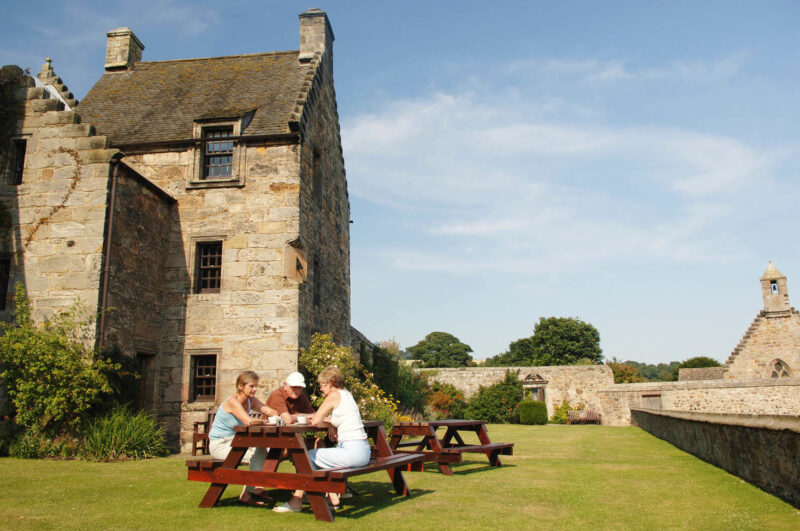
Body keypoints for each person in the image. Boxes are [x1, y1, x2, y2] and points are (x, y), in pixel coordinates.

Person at [273, 365, 370, 513]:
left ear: (330, 383)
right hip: (363, 450)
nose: (321, 389)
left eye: (322, 385)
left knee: (306, 457)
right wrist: (330, 423)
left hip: (352, 452)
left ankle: (297, 501)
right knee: (323, 455)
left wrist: (323, 421)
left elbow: (315, 421)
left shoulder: (333, 396)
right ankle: (331, 497)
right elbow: (328, 420)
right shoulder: (347, 394)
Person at [208, 370, 277, 506]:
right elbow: (248, 421)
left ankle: (251, 491)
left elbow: (271, 411)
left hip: (236, 443)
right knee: (258, 454)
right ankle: (252, 490)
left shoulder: (251, 400)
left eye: (256, 386)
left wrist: (272, 415)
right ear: (240, 386)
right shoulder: (232, 402)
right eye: (251, 386)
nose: (255, 389)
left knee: (264, 450)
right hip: (220, 445)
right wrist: (265, 421)